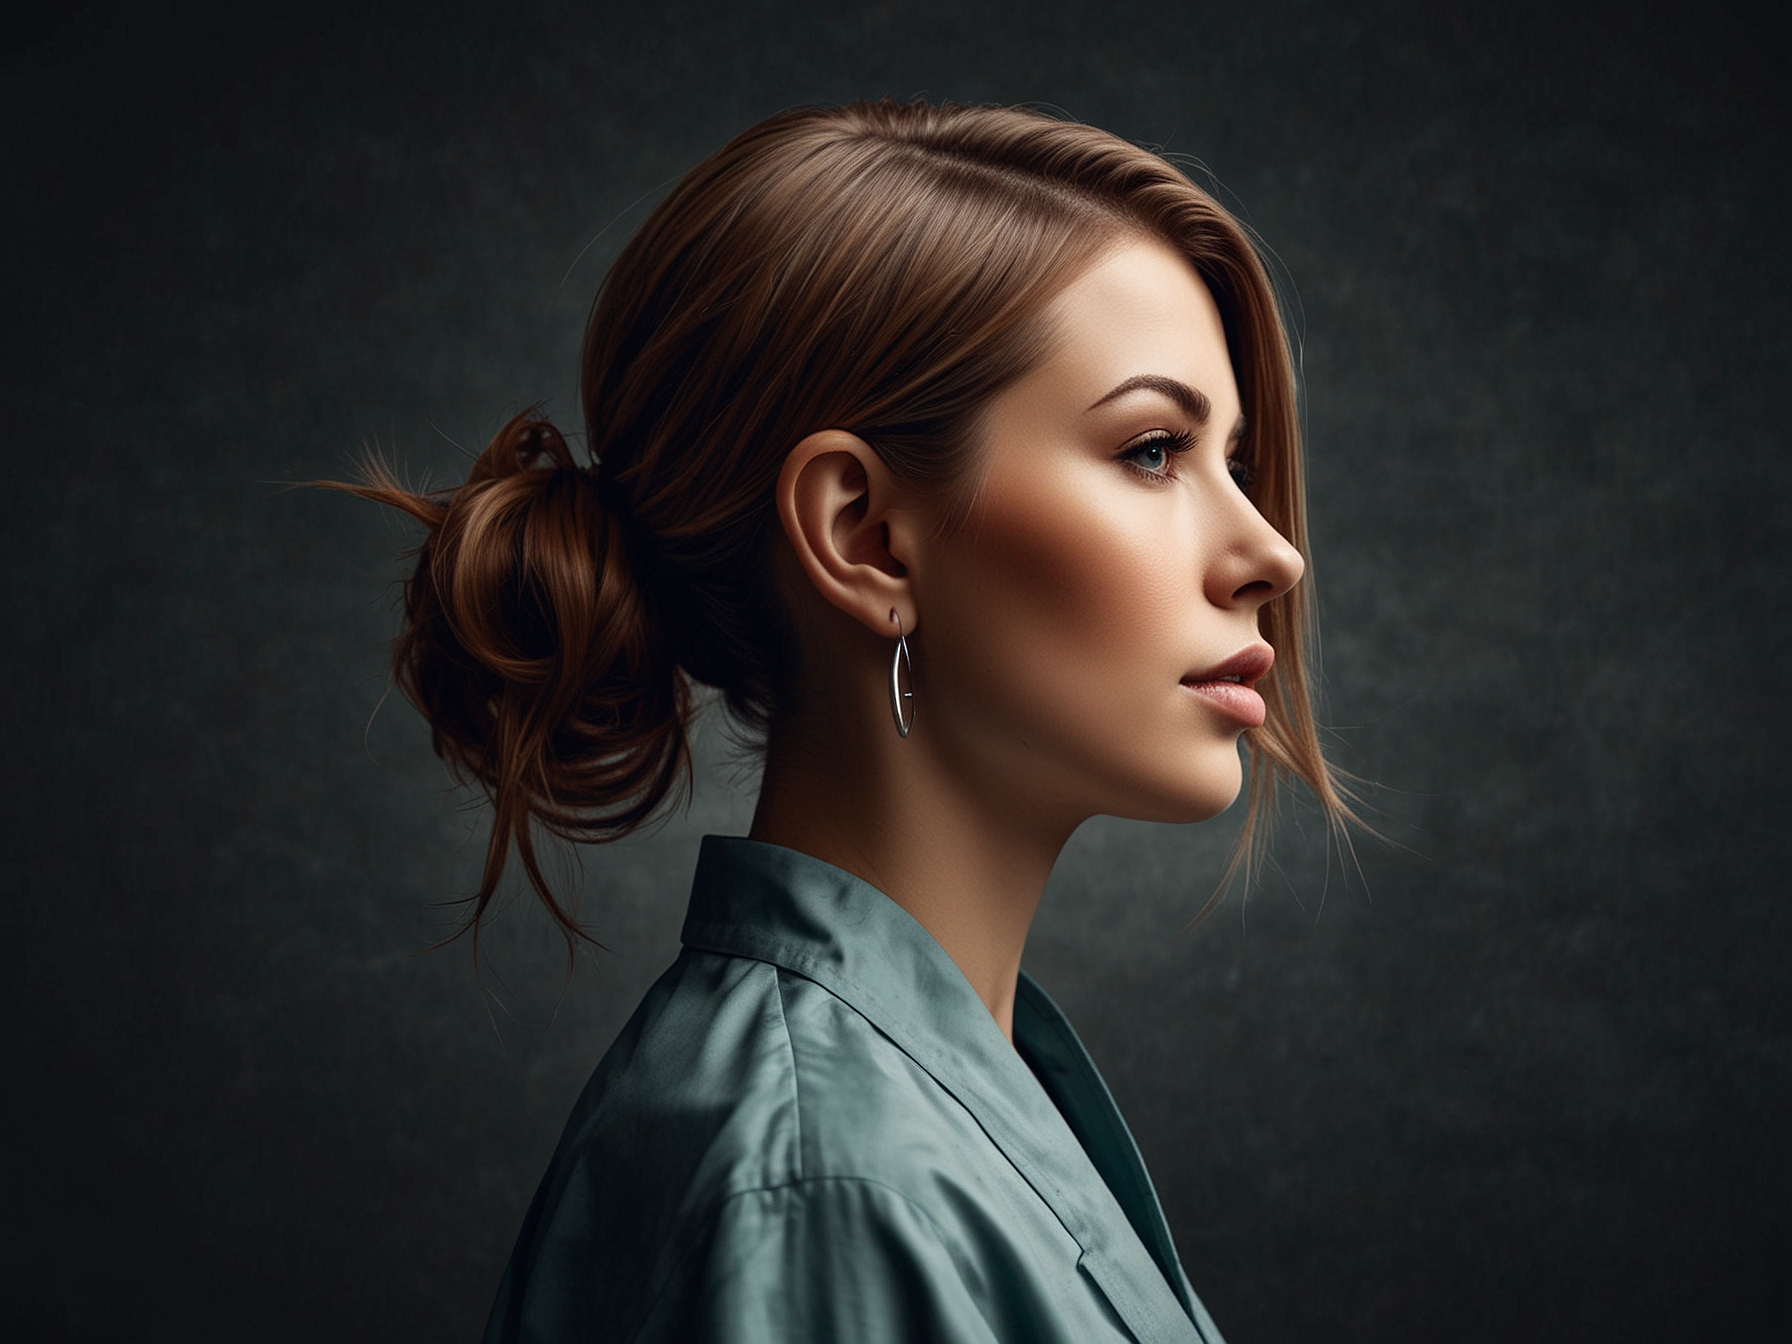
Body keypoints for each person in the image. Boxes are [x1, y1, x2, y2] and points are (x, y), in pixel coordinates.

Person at [331, 98, 1354, 1343]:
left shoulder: (924, 1111)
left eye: (1232, 461)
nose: (1269, 553)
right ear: (862, 534)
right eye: (1151, 451)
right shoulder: (832, 1187)